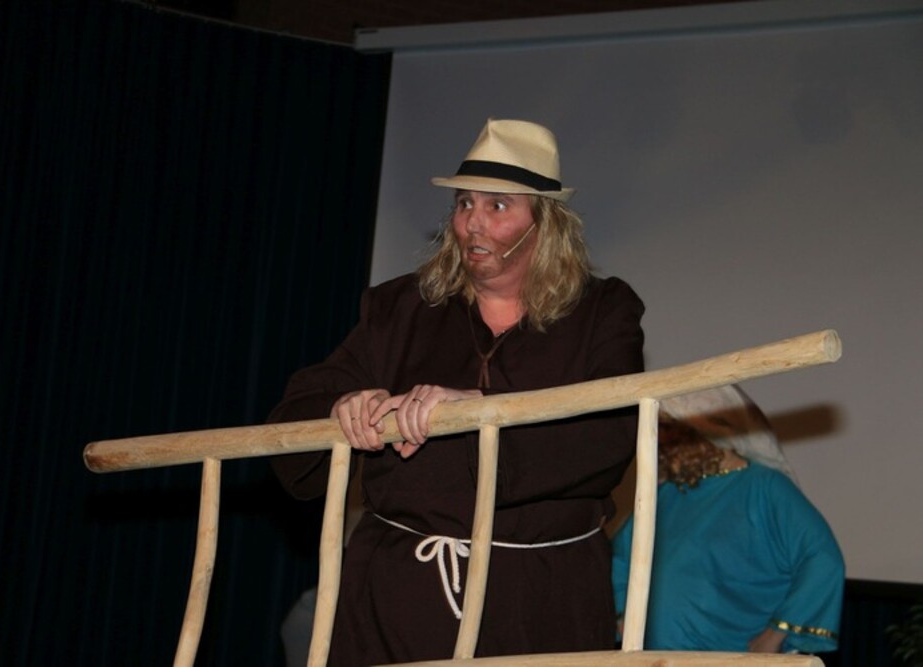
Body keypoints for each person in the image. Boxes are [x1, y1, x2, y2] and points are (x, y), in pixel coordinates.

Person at [269, 118, 646, 665]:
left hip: (541, 600)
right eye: (464, 203)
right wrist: (341, 407)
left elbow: (608, 436)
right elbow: (301, 407)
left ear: (545, 223)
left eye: (497, 206)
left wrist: (483, 412)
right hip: (397, 594)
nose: (472, 222)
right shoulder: (401, 308)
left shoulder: (602, 312)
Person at [611, 384, 844, 655]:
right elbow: (621, 558)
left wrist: (776, 633)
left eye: (670, 430)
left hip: (729, 653)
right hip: (658, 658)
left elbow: (822, 558)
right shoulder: (668, 494)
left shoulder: (764, 487)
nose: (661, 443)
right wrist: (622, 615)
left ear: (705, 432)